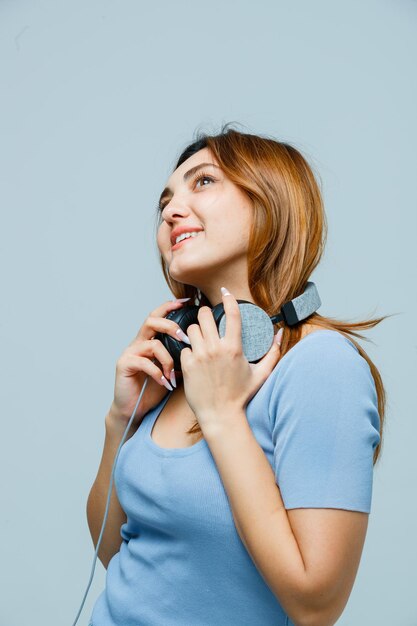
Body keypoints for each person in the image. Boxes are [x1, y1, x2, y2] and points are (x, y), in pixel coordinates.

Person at [86, 123, 390, 626]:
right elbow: (114, 551)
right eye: (165, 199)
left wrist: (224, 417)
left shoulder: (322, 366)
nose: (170, 209)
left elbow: (316, 605)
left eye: (203, 181)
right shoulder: (182, 360)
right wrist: (119, 421)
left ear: (271, 200)